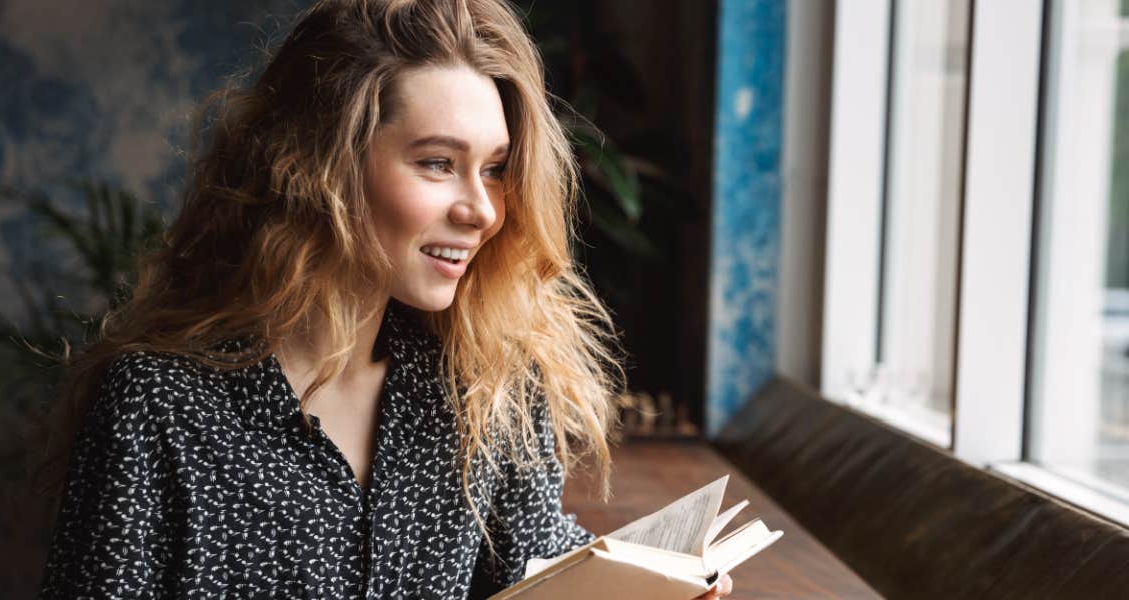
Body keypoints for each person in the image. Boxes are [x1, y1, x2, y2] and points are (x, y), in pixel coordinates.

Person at [36, 0, 732, 598]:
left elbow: (536, 566)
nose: (483, 210)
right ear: (323, 165)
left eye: (494, 169)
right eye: (438, 163)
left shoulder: (485, 386)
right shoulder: (156, 405)